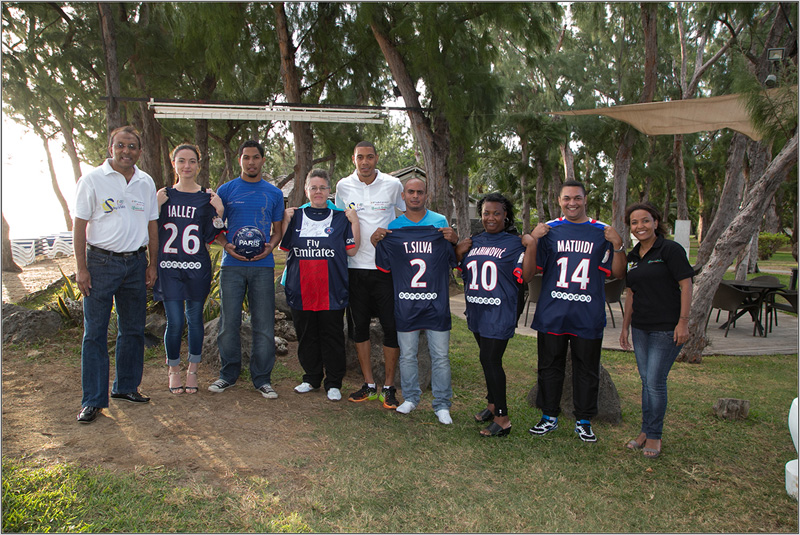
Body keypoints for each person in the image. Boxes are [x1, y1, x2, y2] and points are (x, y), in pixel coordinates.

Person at [527, 180, 626, 443]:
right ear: (559, 201)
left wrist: (618, 244)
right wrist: (533, 240)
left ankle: (584, 420)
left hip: (587, 314)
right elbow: (532, 270)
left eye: (577, 198)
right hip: (553, 313)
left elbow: (618, 273)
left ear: (585, 199)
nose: (572, 203)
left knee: (587, 369)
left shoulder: (602, 231)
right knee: (549, 366)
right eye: (567, 198)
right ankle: (549, 416)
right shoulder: (549, 230)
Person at [73, 125, 159, 424]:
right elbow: (79, 225)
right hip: (100, 264)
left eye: (132, 146)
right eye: (120, 145)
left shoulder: (145, 182)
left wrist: (152, 264)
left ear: (140, 151)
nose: (126, 151)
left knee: (133, 329)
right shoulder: (92, 180)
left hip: (135, 264)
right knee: (95, 333)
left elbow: (152, 225)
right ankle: (93, 400)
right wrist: (81, 268)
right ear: (111, 148)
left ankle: (126, 387)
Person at [373, 178, 458, 424]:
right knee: (407, 355)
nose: (415, 196)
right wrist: (377, 242)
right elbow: (384, 265)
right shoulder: (394, 228)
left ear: (426, 195)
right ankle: (410, 398)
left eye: (420, 192)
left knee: (440, 356)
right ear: (403, 196)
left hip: (436, 303)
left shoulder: (440, 223)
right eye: (410, 192)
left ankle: (442, 404)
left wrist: (454, 239)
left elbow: (453, 258)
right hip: (406, 303)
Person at [455, 193, 537, 437]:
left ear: (505, 216)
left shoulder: (515, 243)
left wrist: (532, 246)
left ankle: (503, 418)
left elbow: (528, 276)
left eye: (496, 213)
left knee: (491, 360)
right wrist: (458, 252)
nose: (491, 218)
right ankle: (492, 404)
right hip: (477, 310)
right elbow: (462, 272)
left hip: (500, 312)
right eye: (486, 213)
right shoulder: (474, 241)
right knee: (485, 359)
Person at [209, 140, 284, 399]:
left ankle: (262, 379)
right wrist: (226, 246)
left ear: (263, 160)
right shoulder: (226, 190)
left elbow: (278, 230)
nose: (251, 162)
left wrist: (270, 247)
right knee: (228, 322)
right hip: (232, 267)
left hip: (263, 266)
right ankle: (227, 375)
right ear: (239, 160)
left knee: (263, 324)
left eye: (255, 157)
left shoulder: (273, 193)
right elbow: (216, 225)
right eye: (246, 157)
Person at [619, 203, 694, 459]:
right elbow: (631, 293)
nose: (640, 226)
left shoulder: (670, 250)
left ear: (655, 222)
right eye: (634, 222)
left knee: (654, 382)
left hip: (667, 328)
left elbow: (686, 285)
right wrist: (625, 327)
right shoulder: (632, 257)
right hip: (641, 327)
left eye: (645, 221)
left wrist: (683, 322)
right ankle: (645, 431)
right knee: (646, 381)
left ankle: (654, 435)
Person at [334, 141, 405, 408]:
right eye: (360, 157)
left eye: (370, 157)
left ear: (377, 158)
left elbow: (404, 217)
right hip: (354, 268)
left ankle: (388, 386)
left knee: (390, 328)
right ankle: (369, 384)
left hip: (385, 269)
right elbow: (339, 220)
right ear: (353, 159)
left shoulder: (393, 184)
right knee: (359, 328)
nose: (365, 162)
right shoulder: (343, 186)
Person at [279, 169, 360, 402]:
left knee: (332, 336)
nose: (318, 192)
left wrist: (355, 222)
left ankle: (333, 382)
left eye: (322, 187)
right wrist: (285, 221)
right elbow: (284, 248)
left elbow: (352, 250)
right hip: (301, 287)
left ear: (329, 191)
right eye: (313, 188)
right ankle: (311, 378)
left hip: (331, 288)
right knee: (307, 336)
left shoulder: (340, 217)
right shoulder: (295, 216)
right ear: (306, 191)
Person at [154, 144, 225, 395]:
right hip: (169, 267)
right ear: (174, 164)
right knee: (174, 321)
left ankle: (193, 370)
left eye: (192, 161)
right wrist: (156, 207)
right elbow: (149, 230)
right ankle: (173, 369)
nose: (187, 166)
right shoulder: (164, 196)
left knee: (195, 320)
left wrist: (219, 211)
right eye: (181, 161)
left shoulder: (206, 197)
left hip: (196, 267)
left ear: (198, 165)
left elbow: (210, 234)